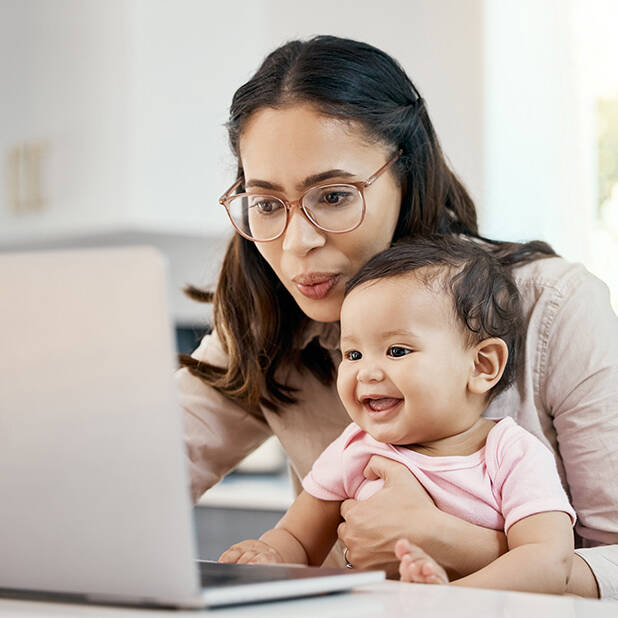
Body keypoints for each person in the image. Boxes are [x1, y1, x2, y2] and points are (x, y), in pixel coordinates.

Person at [176, 35, 618, 598]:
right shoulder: (270, 322)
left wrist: (444, 541)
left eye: (333, 196)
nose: (296, 244)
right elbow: (130, 476)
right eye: (266, 204)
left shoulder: (553, 308)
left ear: (405, 176)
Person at [218, 236, 578, 595]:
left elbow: (548, 562)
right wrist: (269, 553)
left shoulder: (512, 455)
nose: (367, 372)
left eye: (396, 350)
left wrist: (446, 600)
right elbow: (297, 538)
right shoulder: (357, 447)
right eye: (353, 354)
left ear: (482, 365)